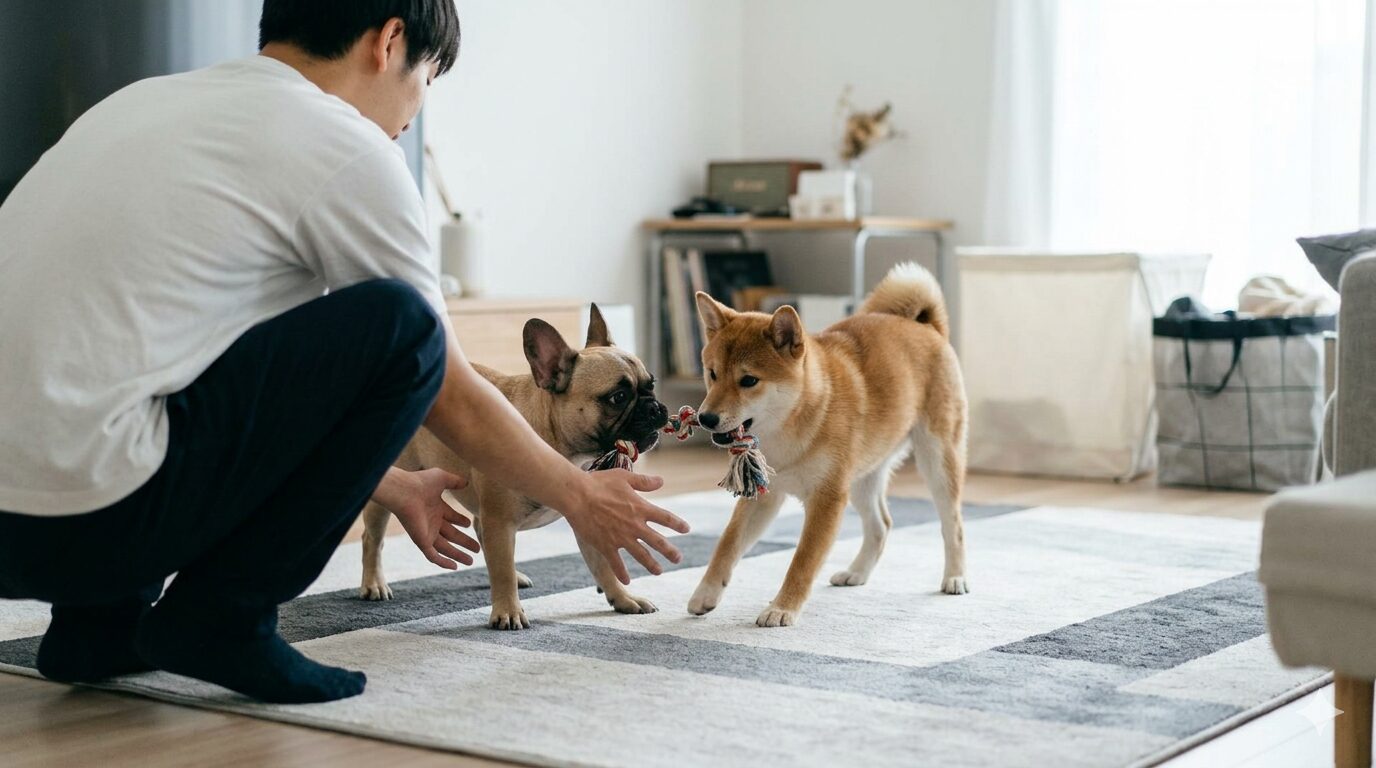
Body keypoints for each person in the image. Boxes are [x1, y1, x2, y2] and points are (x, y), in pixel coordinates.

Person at [0, 0, 688, 705]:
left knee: (187, 354)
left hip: (17, 543)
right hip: (97, 519)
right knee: (406, 329)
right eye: (427, 80)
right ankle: (222, 617)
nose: (413, 115)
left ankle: (96, 628)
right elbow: (446, 388)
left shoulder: (136, 106)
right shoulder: (346, 144)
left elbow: (240, 392)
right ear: (390, 42)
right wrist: (578, 493)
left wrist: (387, 483)